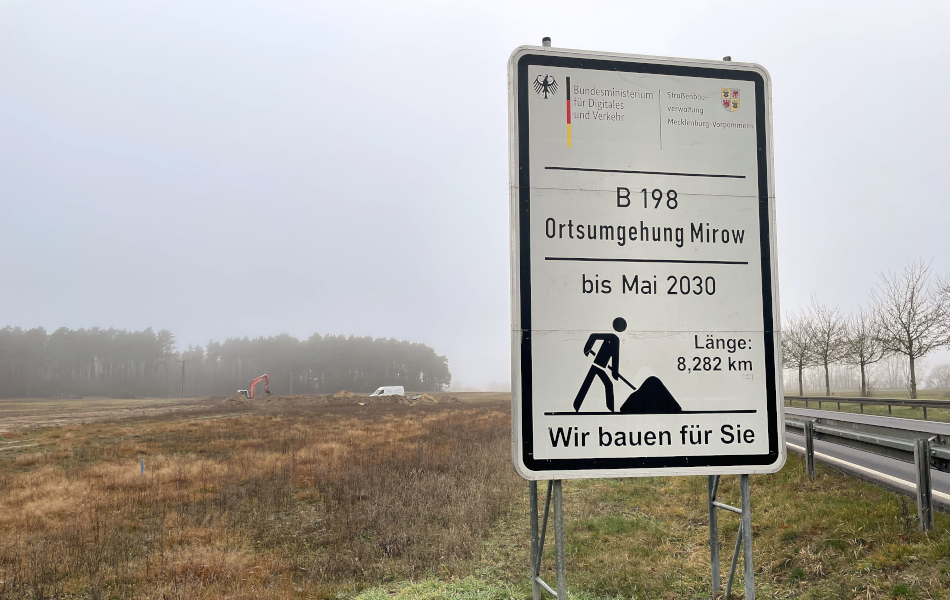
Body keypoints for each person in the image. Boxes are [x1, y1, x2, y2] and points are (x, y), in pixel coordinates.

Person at [573, 317, 626, 412]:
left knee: (593, 384)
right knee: (605, 384)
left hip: (600, 366)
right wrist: (587, 348)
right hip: (597, 365)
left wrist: (615, 373)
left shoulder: (615, 339)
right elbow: (593, 336)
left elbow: (615, 358)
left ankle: (577, 405)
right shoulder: (612, 337)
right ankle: (577, 405)